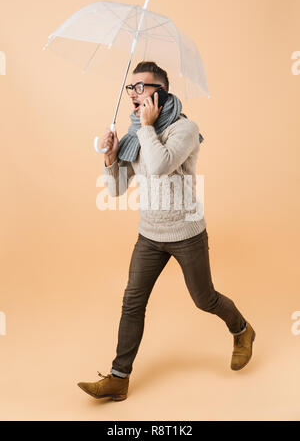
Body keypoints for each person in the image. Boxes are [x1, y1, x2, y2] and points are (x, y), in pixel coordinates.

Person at [77, 61, 256, 402]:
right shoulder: (134, 135)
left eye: (143, 86)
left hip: (186, 231)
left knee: (205, 299)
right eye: (132, 87)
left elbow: (159, 166)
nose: (135, 93)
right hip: (150, 234)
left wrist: (144, 128)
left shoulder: (183, 129)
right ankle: (118, 378)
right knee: (132, 301)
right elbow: (116, 190)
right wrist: (112, 158)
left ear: (161, 93)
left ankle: (243, 330)